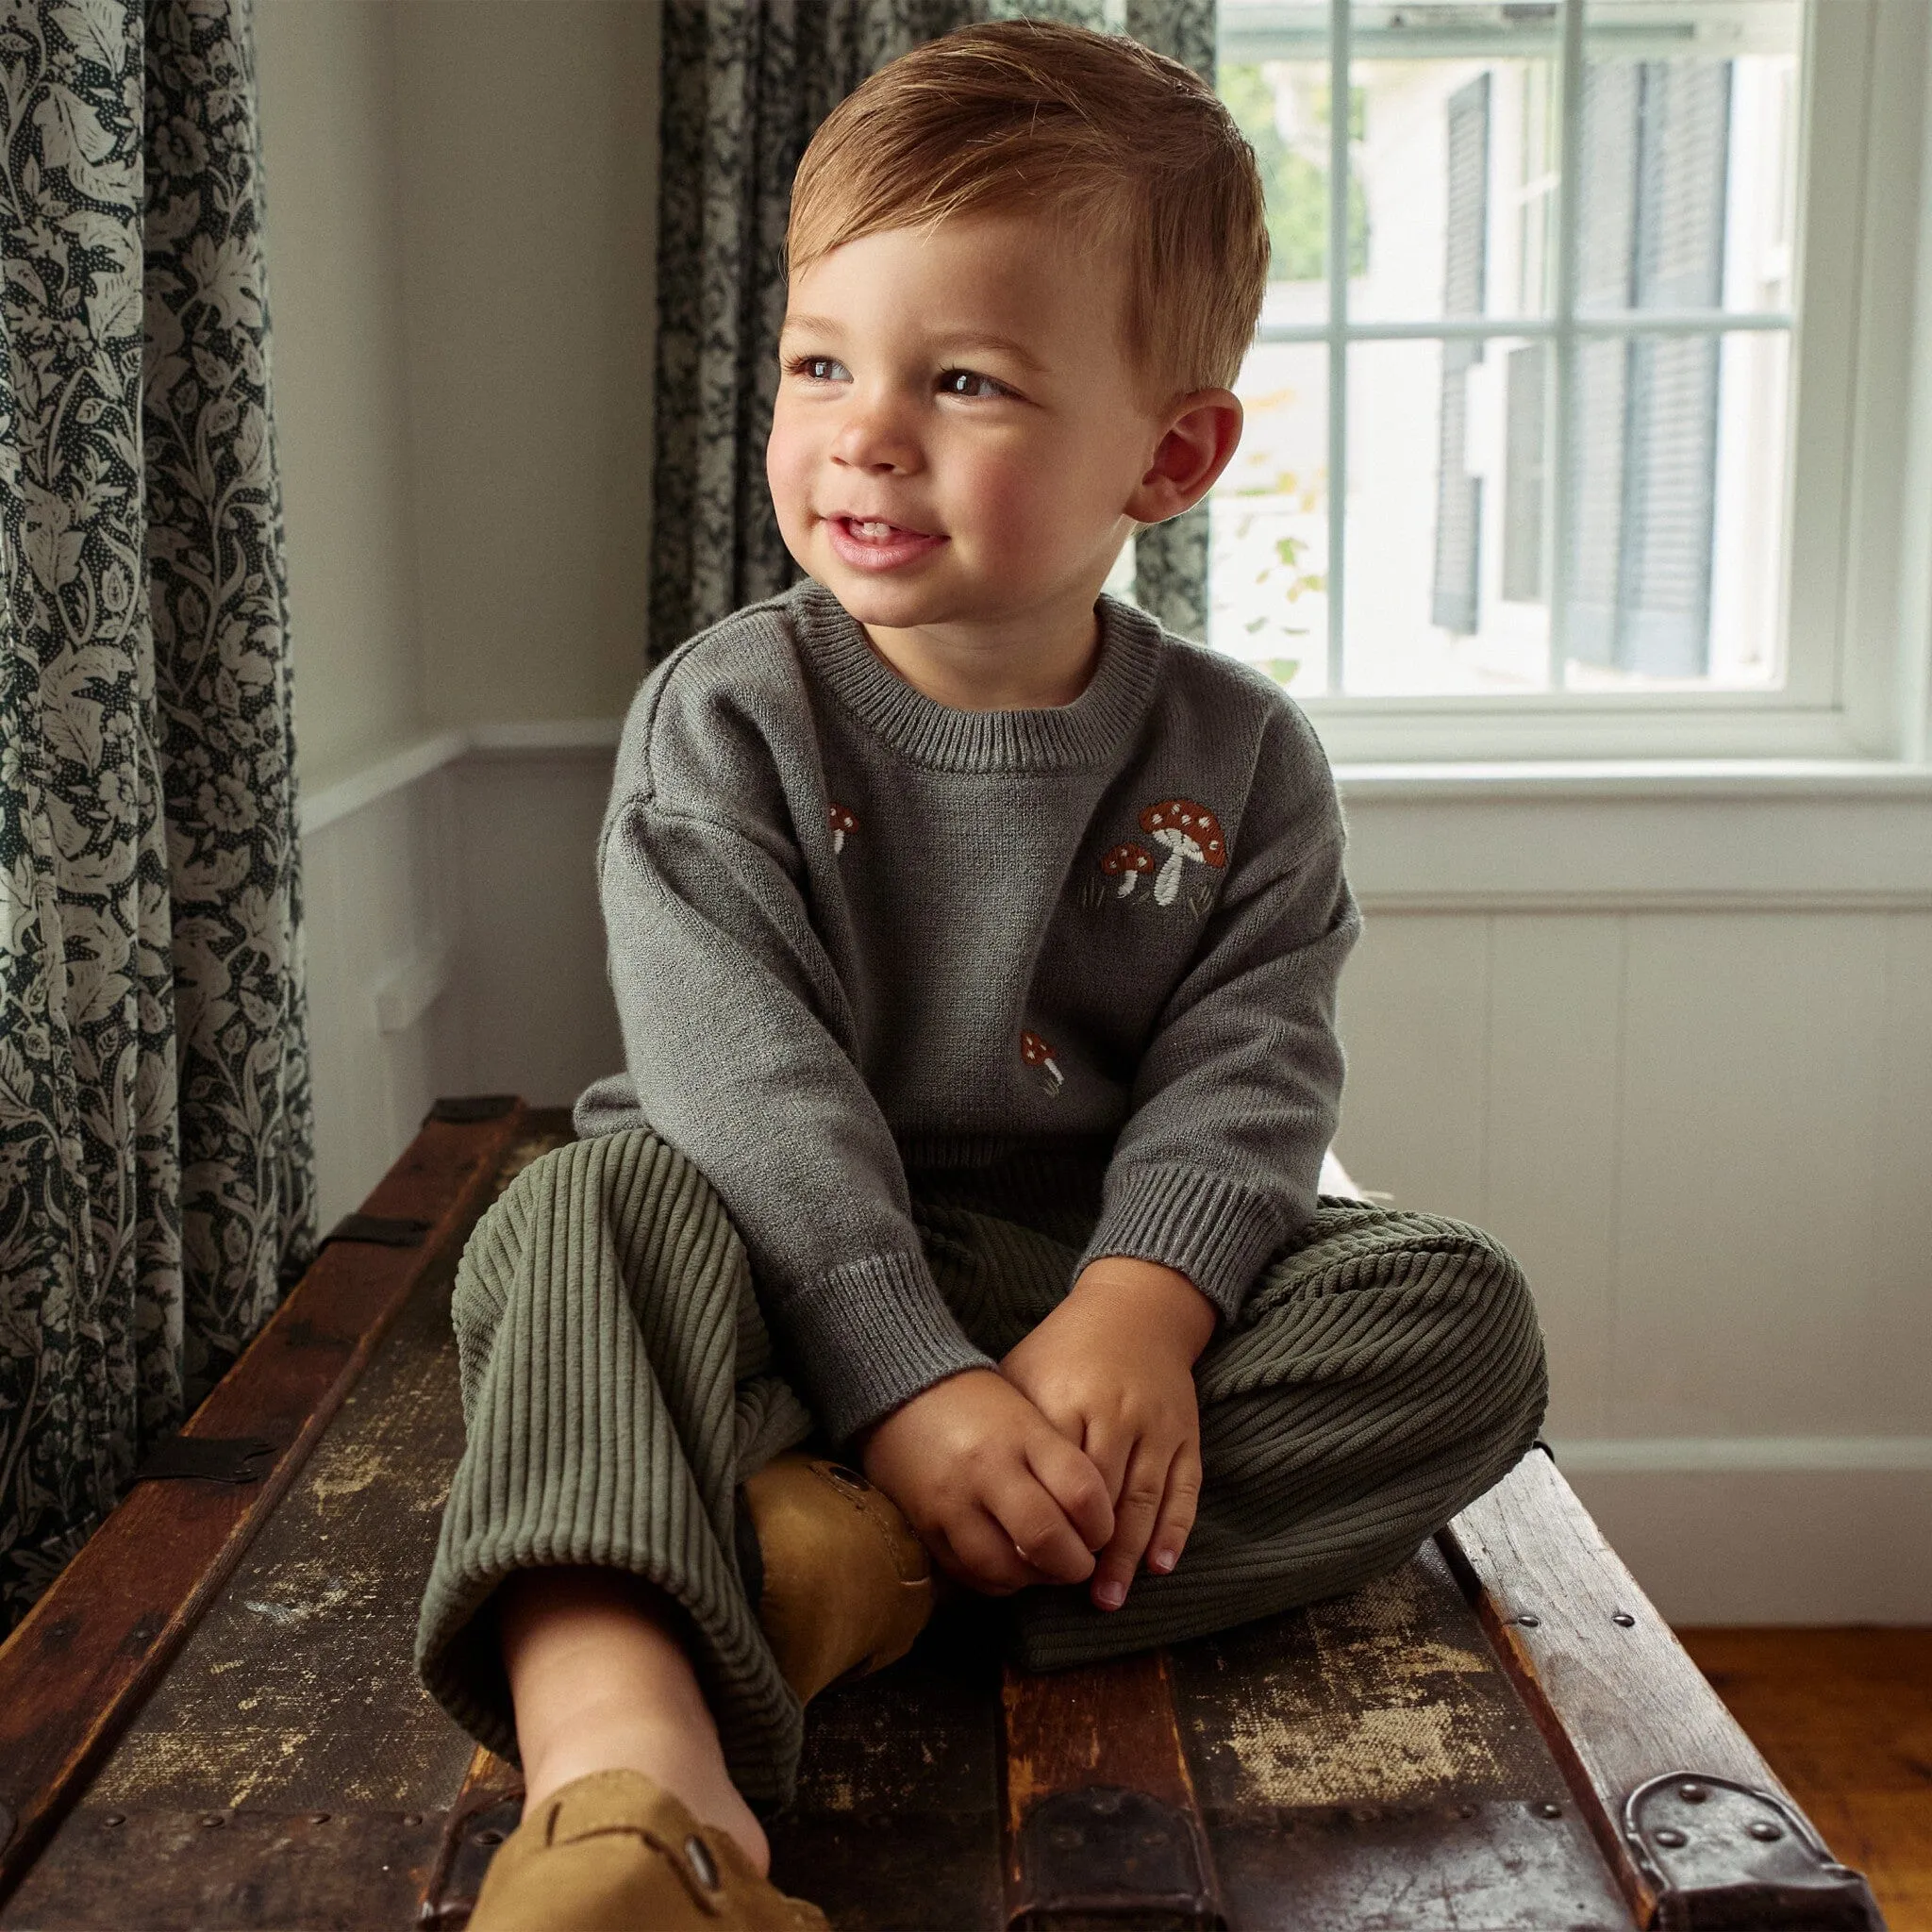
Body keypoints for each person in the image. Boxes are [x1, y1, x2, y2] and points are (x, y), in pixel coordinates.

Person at [416, 20, 1546, 1929]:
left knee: (1463, 1320)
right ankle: (627, 1776)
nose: (861, 430)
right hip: (767, 1264)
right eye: (818, 364)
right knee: (572, 1220)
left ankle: (851, 1570)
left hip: (1068, 1276)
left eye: (960, 379)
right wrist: (906, 1384)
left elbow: (1251, 1069)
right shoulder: (729, 716)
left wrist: (1137, 1313)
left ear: (1169, 454)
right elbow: (745, 1090)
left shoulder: (1241, 757)